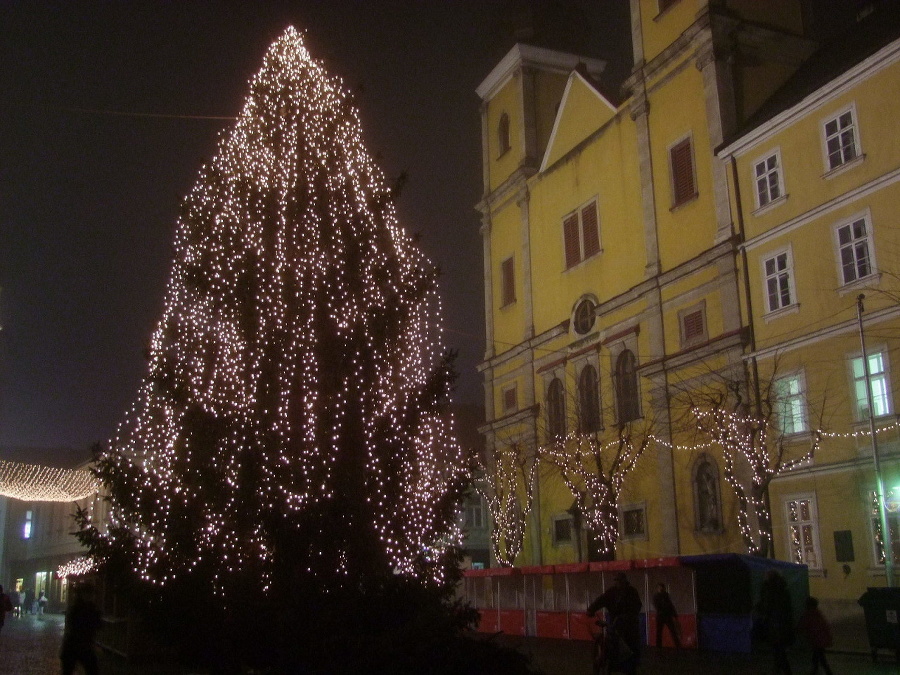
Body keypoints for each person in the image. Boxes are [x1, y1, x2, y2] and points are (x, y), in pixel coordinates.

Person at [587, 572, 643, 675]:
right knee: (610, 642)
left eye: (620, 581)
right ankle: (604, 660)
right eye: (616, 581)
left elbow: (637, 606)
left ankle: (631, 665)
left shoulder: (632, 592)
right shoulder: (611, 592)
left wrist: (628, 615)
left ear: (625, 581)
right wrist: (591, 609)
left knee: (631, 647)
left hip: (629, 624)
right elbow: (601, 600)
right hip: (615, 623)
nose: (618, 583)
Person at [755, 569, 795, 675]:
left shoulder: (770, 590)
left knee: (778, 651)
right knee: (778, 651)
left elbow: (767, 606)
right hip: (781, 625)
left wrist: (760, 609)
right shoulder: (782, 589)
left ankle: (785, 672)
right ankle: (779, 671)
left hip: (775, 625)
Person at [60, 584, 103, 675]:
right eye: (89, 594)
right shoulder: (80, 608)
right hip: (76, 644)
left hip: (80, 645)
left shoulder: (89, 608)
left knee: (91, 669)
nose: (91, 596)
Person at [797, 596, 833, 675]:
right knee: (818, 656)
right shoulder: (818, 614)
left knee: (819, 657)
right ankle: (818, 671)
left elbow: (802, 626)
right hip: (820, 640)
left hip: (816, 640)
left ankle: (824, 672)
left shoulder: (808, 615)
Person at [652, 582, 681, 648]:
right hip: (662, 616)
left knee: (672, 631)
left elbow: (670, 605)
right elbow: (659, 606)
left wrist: (674, 614)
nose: (661, 589)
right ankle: (659, 647)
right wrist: (673, 614)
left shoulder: (665, 595)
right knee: (660, 632)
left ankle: (678, 646)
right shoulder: (657, 596)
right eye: (660, 588)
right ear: (658, 589)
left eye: (662, 588)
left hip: (665, 616)